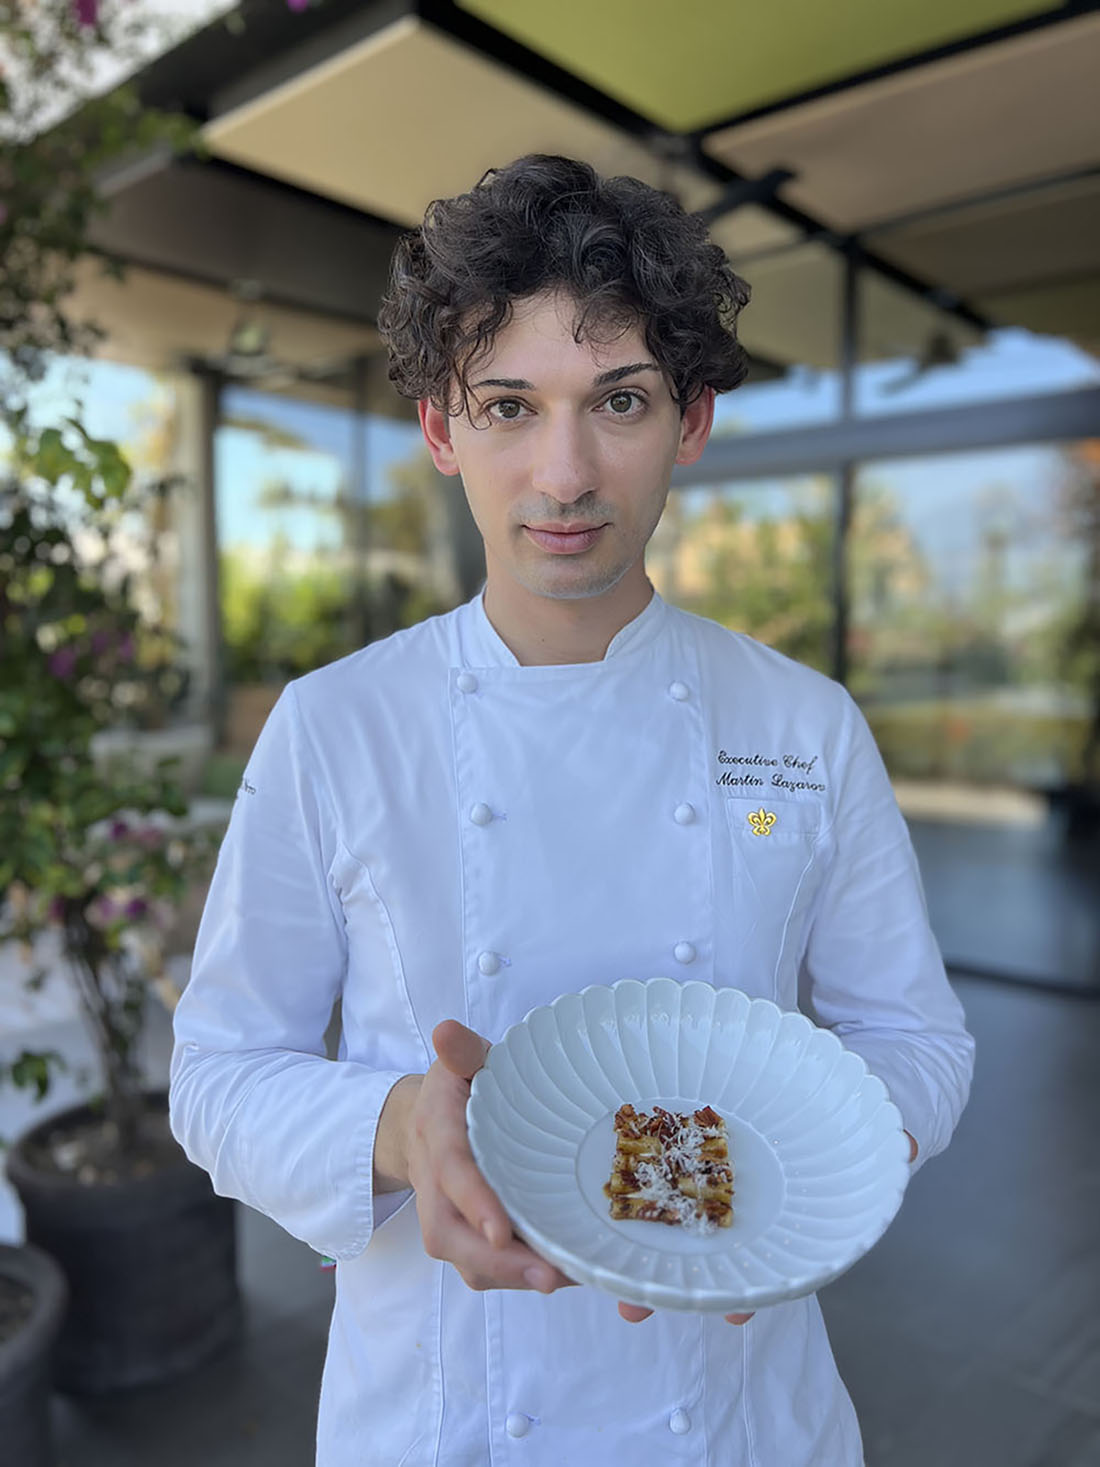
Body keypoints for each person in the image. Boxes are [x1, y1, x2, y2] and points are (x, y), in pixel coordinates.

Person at [169, 154, 974, 1467]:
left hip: (741, 1416)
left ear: (690, 421)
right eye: (507, 407)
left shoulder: (803, 723)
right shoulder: (336, 727)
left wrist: (800, 1175)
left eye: (620, 401)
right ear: (440, 432)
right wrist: (402, 1129)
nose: (565, 472)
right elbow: (216, 1076)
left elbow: (915, 1039)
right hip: (444, 1413)